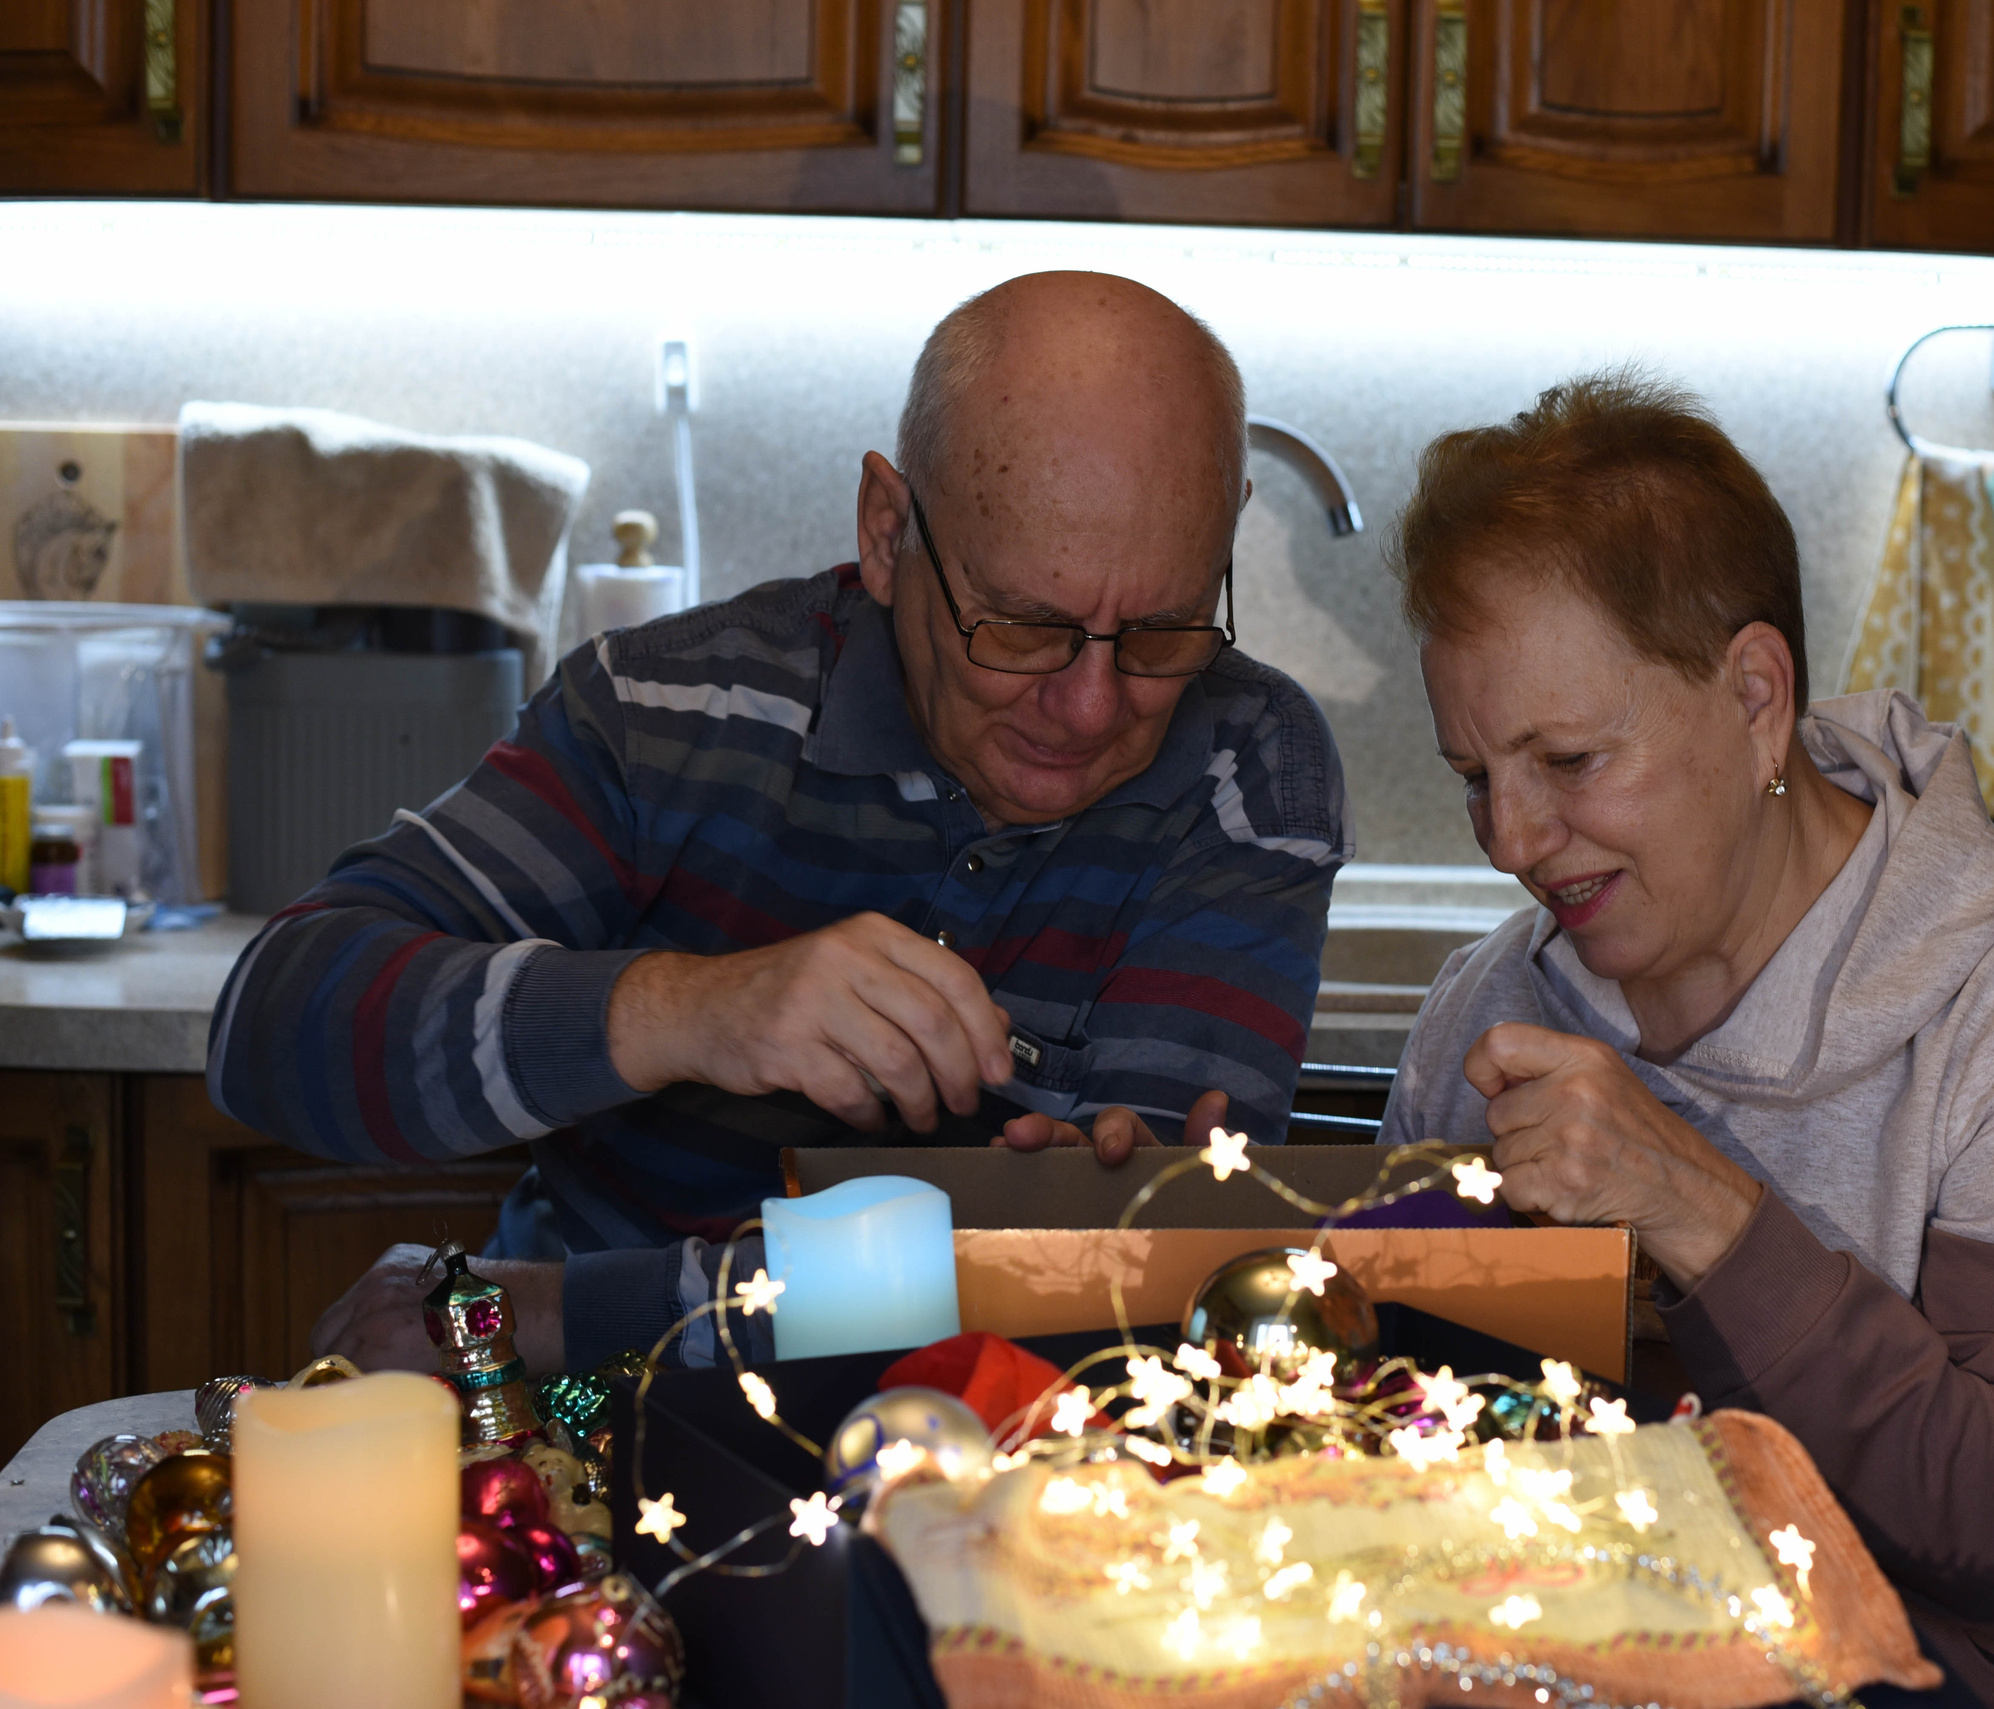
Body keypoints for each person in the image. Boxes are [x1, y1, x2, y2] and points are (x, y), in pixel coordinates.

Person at [211, 273, 1351, 1376]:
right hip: (582, 1440)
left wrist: (556, 1310)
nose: (1092, 704)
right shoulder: (662, 712)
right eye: (1017, 626)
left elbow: (1098, 1277)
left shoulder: (1246, 763)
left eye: (1162, 627)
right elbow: (268, 1030)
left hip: (992, 1465)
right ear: (889, 532)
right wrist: (685, 1008)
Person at [1378, 372, 1994, 1703]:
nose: (1514, 843)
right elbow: (1407, 1440)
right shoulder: (1486, 1014)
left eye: (1569, 761)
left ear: (1758, 697)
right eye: (1478, 777)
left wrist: (1692, 1203)